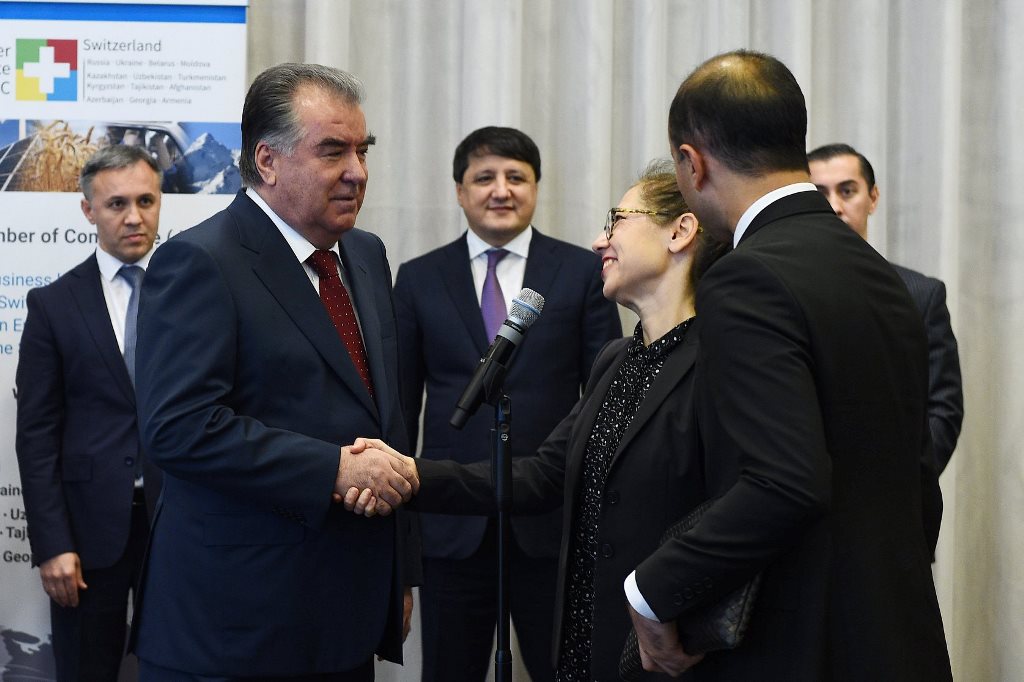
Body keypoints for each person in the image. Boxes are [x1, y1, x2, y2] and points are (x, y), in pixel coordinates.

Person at [619, 49, 952, 680]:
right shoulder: (884, 277)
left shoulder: (746, 277)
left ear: (692, 163)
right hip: (895, 632)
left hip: (801, 643)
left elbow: (785, 483)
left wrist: (650, 590)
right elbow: (917, 477)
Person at [348, 160, 730, 680]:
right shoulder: (618, 360)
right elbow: (543, 474)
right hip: (590, 633)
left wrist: (655, 594)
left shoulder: (722, 359)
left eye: (617, 221)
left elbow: (739, 503)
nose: (599, 241)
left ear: (680, 231)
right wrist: (410, 474)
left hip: (667, 637)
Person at [129, 63, 421, 680]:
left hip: (347, 610)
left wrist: (400, 570)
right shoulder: (199, 261)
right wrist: (333, 468)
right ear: (267, 160)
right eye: (333, 151)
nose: (358, 172)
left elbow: (382, 414)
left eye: (363, 151)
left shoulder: (365, 254)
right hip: (234, 626)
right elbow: (179, 428)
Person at [392, 126, 621, 682]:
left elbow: (606, 398)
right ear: (460, 191)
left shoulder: (581, 272)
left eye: (516, 177)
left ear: (536, 187)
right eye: (484, 178)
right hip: (451, 525)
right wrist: (402, 544)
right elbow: (399, 409)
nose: (501, 190)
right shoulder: (419, 278)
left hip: (551, 524)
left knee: (563, 670)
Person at [15, 144, 164, 681]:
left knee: (182, 668)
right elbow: (36, 437)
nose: (134, 217)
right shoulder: (54, 305)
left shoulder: (193, 294)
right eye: (117, 203)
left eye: (145, 200)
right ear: (88, 210)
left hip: (177, 525)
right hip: (87, 534)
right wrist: (53, 544)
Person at [808, 143, 963, 473]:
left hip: (896, 490)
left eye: (847, 191)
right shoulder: (780, 288)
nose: (834, 206)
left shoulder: (921, 294)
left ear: (873, 198)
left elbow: (942, 408)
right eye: (819, 194)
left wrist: (909, 483)